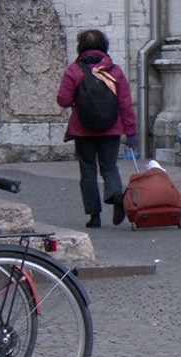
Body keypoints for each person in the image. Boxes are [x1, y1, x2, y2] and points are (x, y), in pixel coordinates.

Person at [55, 28, 136, 229]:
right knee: (109, 167)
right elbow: (125, 103)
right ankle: (116, 195)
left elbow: (63, 101)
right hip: (112, 128)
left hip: (83, 129)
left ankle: (94, 216)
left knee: (88, 171)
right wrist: (131, 131)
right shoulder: (115, 71)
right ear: (104, 46)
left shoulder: (74, 71)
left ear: (80, 47)